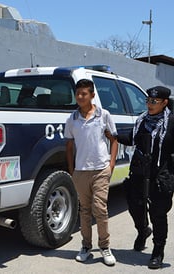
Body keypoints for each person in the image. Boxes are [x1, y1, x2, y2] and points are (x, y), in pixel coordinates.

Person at [115, 86, 174, 269]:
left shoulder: (173, 123)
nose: (150, 105)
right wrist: (113, 135)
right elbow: (133, 139)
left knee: (158, 213)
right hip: (140, 172)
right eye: (148, 101)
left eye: (154, 102)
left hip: (162, 174)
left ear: (164, 103)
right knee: (135, 206)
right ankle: (143, 231)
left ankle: (158, 251)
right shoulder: (142, 121)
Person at [64, 79, 118, 266]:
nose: (80, 97)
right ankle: (86, 246)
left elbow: (113, 140)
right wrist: (72, 169)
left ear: (92, 95)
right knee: (85, 211)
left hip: (100, 169)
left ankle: (105, 247)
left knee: (100, 210)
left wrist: (111, 164)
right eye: (78, 93)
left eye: (84, 93)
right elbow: (69, 146)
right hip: (81, 171)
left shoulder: (104, 115)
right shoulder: (72, 119)